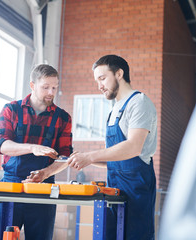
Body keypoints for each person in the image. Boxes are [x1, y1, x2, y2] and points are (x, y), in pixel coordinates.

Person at [67, 55, 157, 240]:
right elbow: (115, 159)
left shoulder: (138, 102)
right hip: (114, 189)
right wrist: (83, 159)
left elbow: (133, 147)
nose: (99, 85)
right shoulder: (114, 110)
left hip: (136, 192)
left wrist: (90, 157)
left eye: (102, 78)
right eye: (97, 81)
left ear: (119, 73)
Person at [0, 64, 73, 240]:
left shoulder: (63, 118)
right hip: (11, 185)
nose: (51, 92)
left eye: (55, 87)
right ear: (32, 85)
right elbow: (0, 144)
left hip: (44, 188)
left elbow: (64, 157)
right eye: (46, 87)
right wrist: (32, 148)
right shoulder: (11, 110)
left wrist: (45, 173)